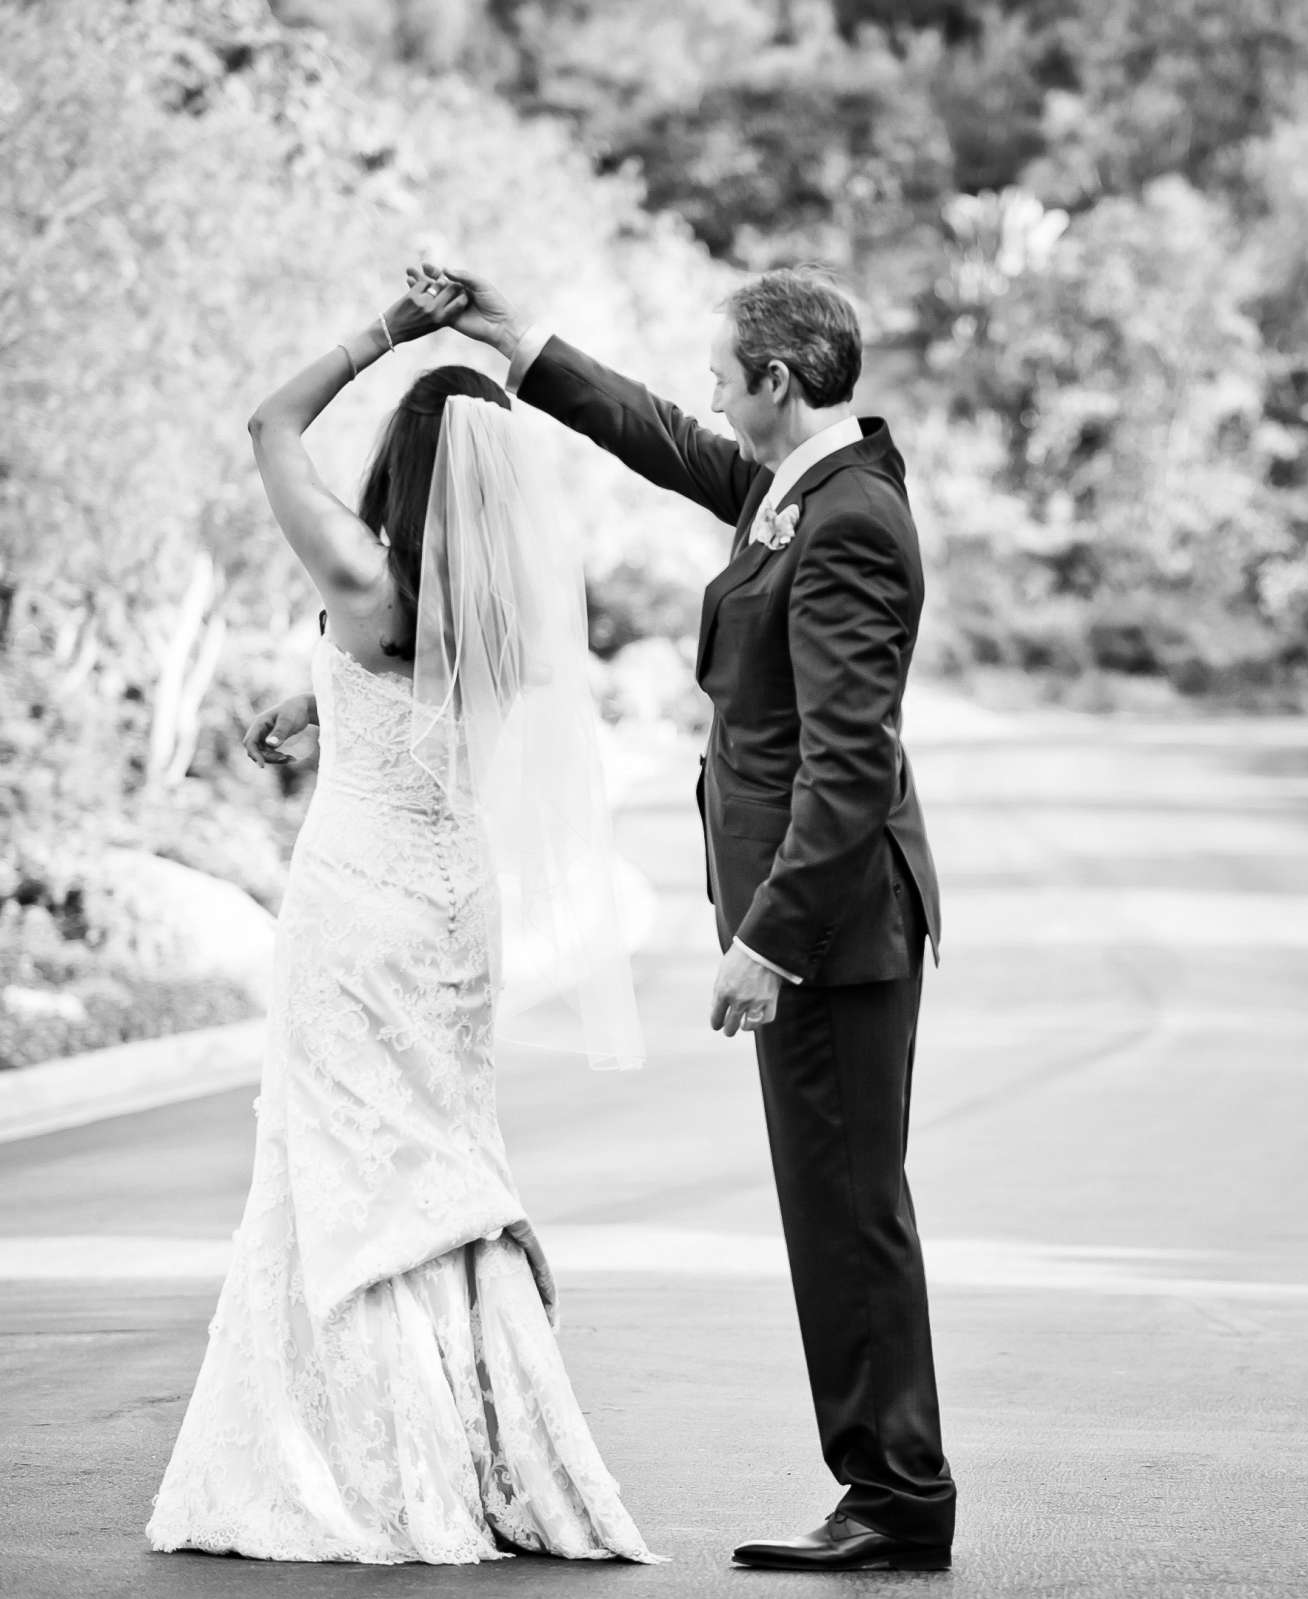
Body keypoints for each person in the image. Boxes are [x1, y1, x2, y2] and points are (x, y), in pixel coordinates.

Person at [241, 262, 957, 1571]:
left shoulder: (842, 516)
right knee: (833, 1204)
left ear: (777, 382)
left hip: (835, 938)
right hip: (813, 929)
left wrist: (770, 940)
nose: (708, 395)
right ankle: (885, 1482)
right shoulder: (803, 491)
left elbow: (848, 762)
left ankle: (898, 1492)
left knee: (848, 1206)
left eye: (723, 371)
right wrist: (523, 342)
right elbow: (666, 440)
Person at [145, 277, 657, 1566]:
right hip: (455, 914)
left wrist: (391, 332)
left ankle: (363, 1471)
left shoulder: (360, 576)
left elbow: (271, 424)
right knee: (438, 1165)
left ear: (400, 464)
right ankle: (493, 1458)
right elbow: (423, 705)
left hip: (352, 904)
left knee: (338, 1173)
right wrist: (321, 697)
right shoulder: (504, 619)